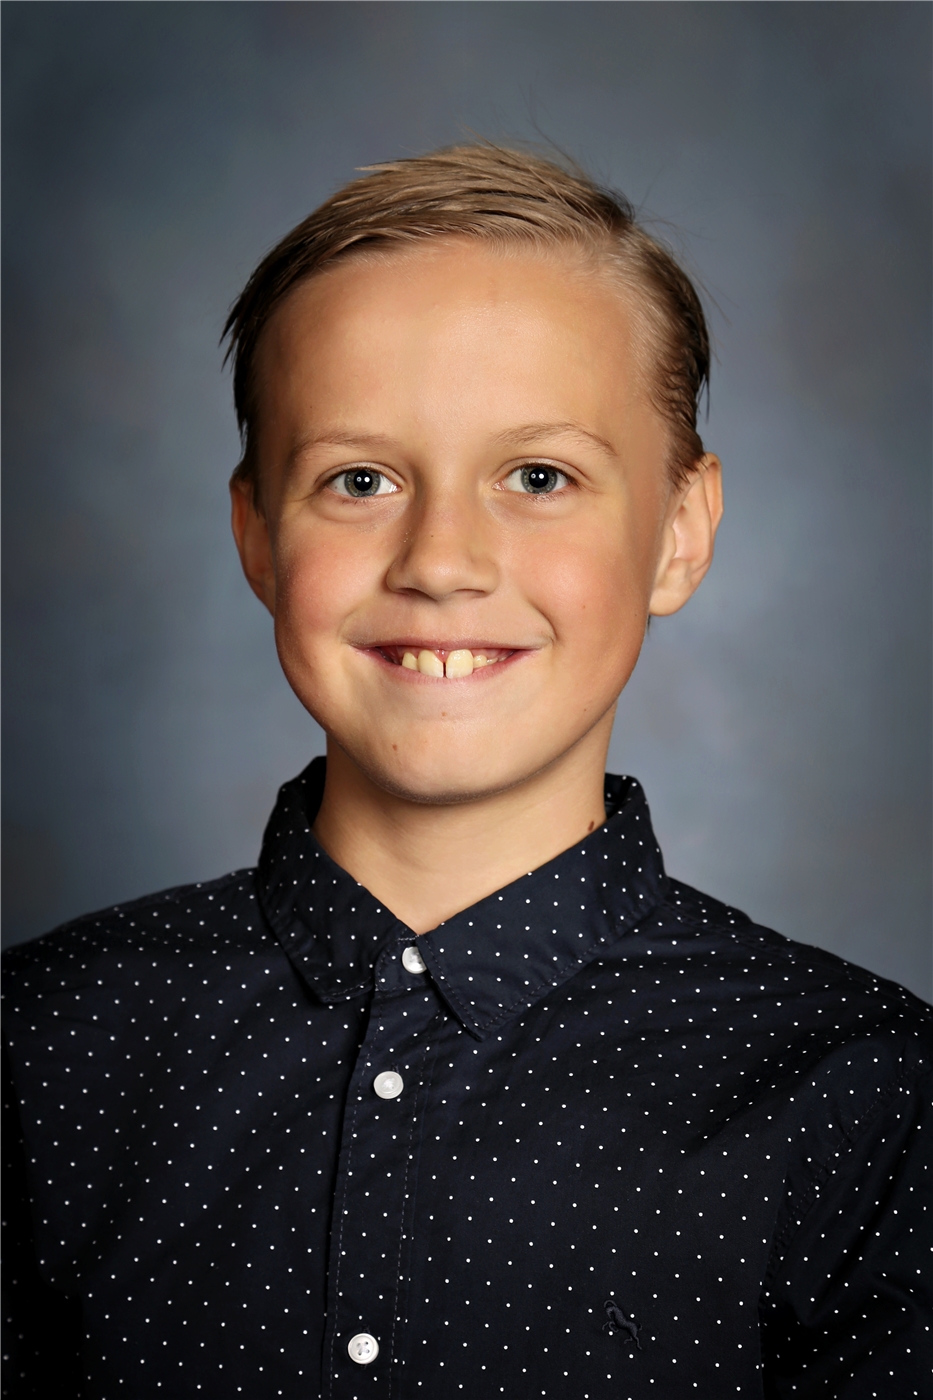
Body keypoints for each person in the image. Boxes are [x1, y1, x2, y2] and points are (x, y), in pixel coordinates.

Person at [3, 144, 930, 1400]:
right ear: (257, 537)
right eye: (360, 479)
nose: (440, 561)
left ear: (680, 530)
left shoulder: (871, 1097)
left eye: (539, 477)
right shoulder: (40, 1050)